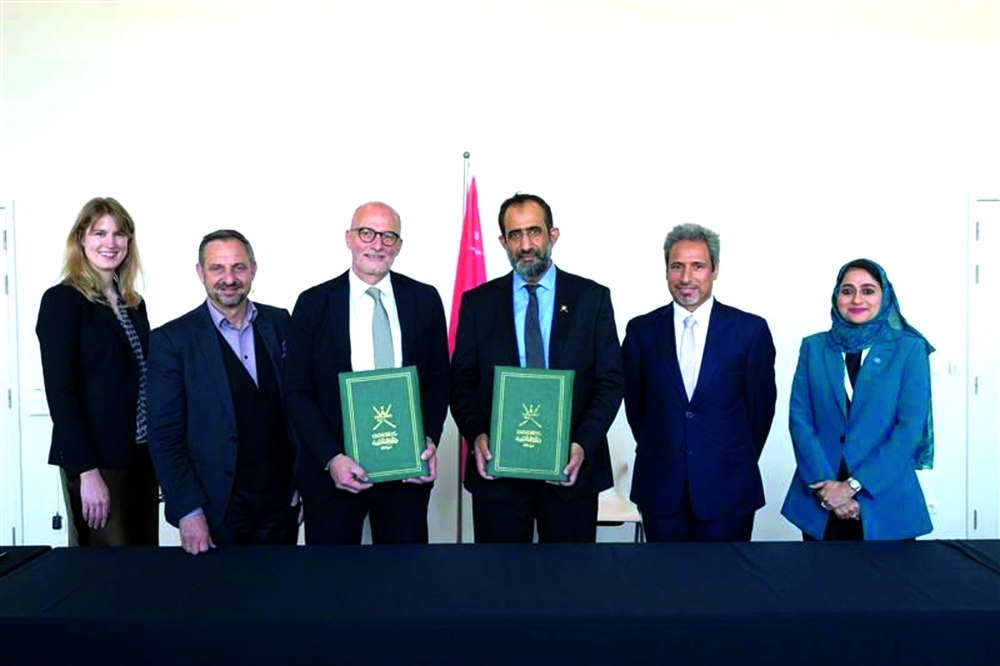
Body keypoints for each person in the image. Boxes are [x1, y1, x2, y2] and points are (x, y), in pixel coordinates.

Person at [450, 193, 624, 543]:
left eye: (535, 231)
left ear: (553, 234)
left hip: (569, 473)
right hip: (498, 475)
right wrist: (477, 435)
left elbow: (610, 381)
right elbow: (461, 382)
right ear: (502, 241)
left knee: (568, 586)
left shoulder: (592, 299)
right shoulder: (477, 304)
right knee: (499, 585)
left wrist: (582, 445)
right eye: (515, 235)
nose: (526, 244)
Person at [284, 202, 449, 545]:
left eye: (388, 236)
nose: (377, 244)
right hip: (335, 475)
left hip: (406, 474)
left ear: (399, 245)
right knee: (332, 586)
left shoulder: (424, 300)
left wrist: (429, 440)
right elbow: (296, 392)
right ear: (349, 238)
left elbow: (438, 381)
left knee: (405, 584)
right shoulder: (313, 304)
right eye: (367, 233)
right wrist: (331, 458)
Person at [147, 230, 299, 554]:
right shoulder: (171, 341)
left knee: (283, 597)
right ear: (200, 273)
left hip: (280, 502)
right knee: (220, 600)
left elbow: (298, 407)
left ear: (253, 270)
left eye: (239, 268)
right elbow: (164, 436)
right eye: (217, 268)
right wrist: (189, 510)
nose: (229, 278)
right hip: (216, 507)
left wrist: (303, 482)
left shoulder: (280, 322)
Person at [622, 223, 776, 542]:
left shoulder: (750, 331)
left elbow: (760, 412)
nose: (686, 278)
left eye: (698, 266)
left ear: (715, 269)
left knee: (724, 589)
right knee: (666, 588)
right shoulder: (641, 332)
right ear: (666, 271)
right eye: (677, 266)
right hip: (661, 488)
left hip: (728, 488)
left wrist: (727, 458)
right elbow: (637, 409)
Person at [781, 258, 934, 541]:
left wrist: (850, 487)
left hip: (885, 498)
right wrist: (828, 489)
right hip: (820, 498)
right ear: (836, 296)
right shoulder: (814, 347)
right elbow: (799, 418)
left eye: (868, 290)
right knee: (821, 583)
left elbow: (908, 429)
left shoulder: (909, 350)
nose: (857, 299)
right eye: (847, 290)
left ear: (884, 296)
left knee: (890, 585)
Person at [36, 197, 159, 547]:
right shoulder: (63, 302)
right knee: (105, 570)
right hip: (96, 461)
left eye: (120, 234)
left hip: (140, 454)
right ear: (81, 240)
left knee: (144, 561)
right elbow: (62, 393)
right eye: (99, 233)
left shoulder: (133, 304)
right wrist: (86, 472)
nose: (111, 243)